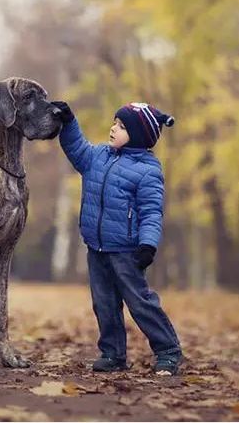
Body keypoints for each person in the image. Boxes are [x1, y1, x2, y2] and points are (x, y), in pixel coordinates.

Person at [52, 100, 184, 375]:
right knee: (104, 303)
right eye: (114, 122)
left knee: (140, 302)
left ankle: (168, 351)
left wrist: (148, 244)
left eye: (121, 126)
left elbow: (151, 211)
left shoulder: (148, 170)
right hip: (97, 248)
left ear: (138, 135)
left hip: (127, 251)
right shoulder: (99, 156)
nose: (113, 128)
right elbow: (77, 149)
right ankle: (113, 354)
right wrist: (69, 122)